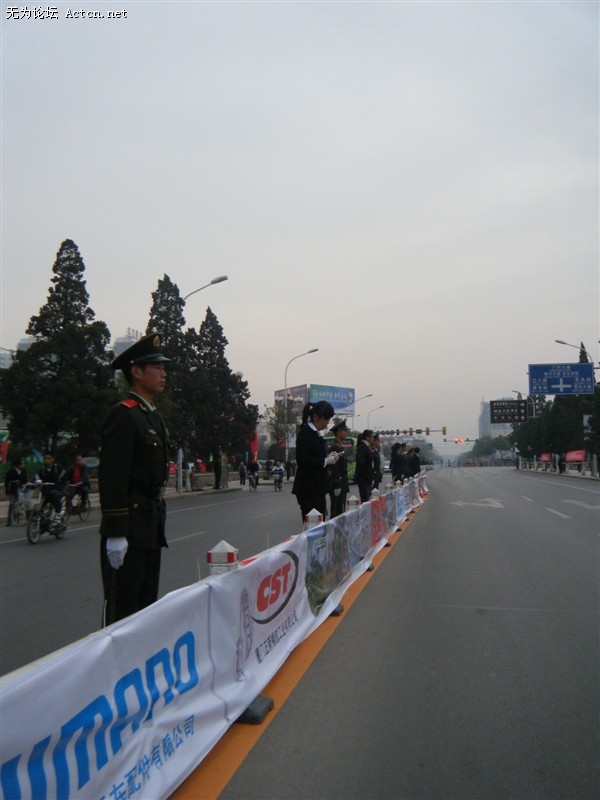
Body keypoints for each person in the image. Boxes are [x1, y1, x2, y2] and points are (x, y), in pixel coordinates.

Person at [99, 332, 171, 626]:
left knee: (145, 610)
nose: (164, 374)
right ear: (137, 372)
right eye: (157, 367)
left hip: (150, 524)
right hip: (130, 527)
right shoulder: (124, 415)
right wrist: (116, 531)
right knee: (123, 614)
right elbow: (113, 476)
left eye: (164, 368)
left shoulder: (151, 416)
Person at [292, 400, 336, 521]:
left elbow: (317, 455)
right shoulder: (306, 433)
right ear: (316, 417)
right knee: (313, 524)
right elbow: (302, 459)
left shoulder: (316, 434)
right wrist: (325, 461)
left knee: (320, 521)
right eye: (326, 419)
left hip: (317, 487)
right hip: (308, 488)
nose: (327, 423)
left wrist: (328, 457)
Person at [327, 419, 349, 518]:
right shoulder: (335, 447)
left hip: (342, 482)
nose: (346, 432)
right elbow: (334, 467)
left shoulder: (340, 446)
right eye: (344, 430)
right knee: (337, 511)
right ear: (339, 431)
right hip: (338, 483)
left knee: (340, 509)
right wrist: (337, 483)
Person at [37, 451, 67, 519]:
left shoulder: (58, 468)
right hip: (45, 491)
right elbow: (37, 478)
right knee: (40, 505)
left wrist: (60, 486)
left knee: (54, 495)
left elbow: (64, 479)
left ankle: (58, 514)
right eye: (45, 458)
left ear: (53, 459)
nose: (47, 460)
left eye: (49, 458)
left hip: (56, 490)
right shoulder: (42, 469)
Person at [4, 458, 28, 526]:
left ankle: (24, 519)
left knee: (22, 504)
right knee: (12, 504)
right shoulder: (11, 471)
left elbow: (25, 480)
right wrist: (7, 491)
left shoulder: (23, 470)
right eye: (22, 463)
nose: (23, 465)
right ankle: (9, 521)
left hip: (21, 490)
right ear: (18, 465)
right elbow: (7, 481)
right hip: (13, 490)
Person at [355, 429, 375, 503]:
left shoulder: (367, 447)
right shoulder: (362, 448)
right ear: (367, 437)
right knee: (365, 500)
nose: (373, 439)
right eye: (372, 437)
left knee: (368, 499)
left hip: (367, 478)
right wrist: (368, 476)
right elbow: (362, 464)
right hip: (363, 478)